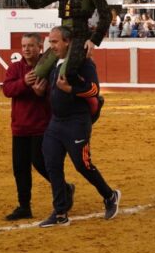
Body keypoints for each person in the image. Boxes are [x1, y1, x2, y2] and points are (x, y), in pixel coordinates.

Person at [38, 26, 120, 228]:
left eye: (55, 42)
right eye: (50, 42)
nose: (52, 46)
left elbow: (94, 90)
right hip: (56, 122)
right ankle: (60, 212)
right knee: (52, 164)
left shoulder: (83, 63)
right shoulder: (54, 64)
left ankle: (109, 195)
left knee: (82, 164)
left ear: (67, 42)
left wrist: (71, 89)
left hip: (76, 121)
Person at [16, 0, 110, 111]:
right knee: (37, 73)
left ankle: (94, 102)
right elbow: (37, 2)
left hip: (80, 36)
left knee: (66, 74)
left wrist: (93, 40)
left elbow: (106, 15)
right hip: (61, 36)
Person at [2, 33, 67, 221]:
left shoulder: (50, 69)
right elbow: (7, 90)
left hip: (41, 126)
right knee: (20, 168)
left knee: (42, 164)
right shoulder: (15, 68)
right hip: (20, 127)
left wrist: (42, 93)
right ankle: (24, 206)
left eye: (30, 45)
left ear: (40, 47)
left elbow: (56, 97)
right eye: (23, 46)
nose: (26, 49)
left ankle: (62, 189)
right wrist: (24, 83)